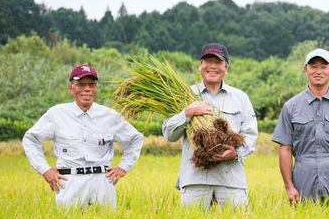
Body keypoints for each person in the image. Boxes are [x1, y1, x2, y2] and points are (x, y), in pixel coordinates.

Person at [23, 64, 143, 209]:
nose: (87, 89)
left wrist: (123, 167)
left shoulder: (109, 115)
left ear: (96, 88)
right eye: (81, 84)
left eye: (92, 84)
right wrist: (45, 170)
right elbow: (30, 138)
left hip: (103, 181)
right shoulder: (57, 114)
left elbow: (135, 139)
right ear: (71, 88)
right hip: (69, 181)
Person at [162, 43, 258, 209]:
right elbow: (169, 134)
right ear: (200, 66)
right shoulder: (184, 96)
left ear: (226, 68)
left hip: (231, 181)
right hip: (195, 179)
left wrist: (236, 153)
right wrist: (187, 113)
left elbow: (251, 135)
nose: (213, 66)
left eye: (218, 62)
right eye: (208, 61)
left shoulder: (240, 98)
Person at [272, 48, 329, 206]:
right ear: (306, 69)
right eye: (313, 66)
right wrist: (289, 187)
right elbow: (285, 149)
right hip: (303, 174)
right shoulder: (291, 106)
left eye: (324, 66)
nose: (318, 71)